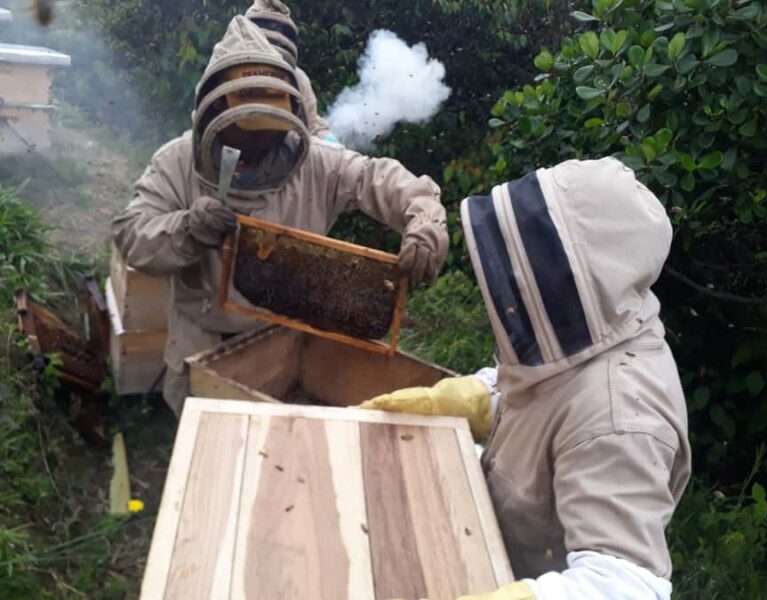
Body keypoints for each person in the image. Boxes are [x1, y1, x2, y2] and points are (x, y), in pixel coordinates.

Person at [359, 157, 691, 599]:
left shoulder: (622, 418)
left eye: (531, 265)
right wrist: (481, 398)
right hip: (486, 547)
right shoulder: (589, 335)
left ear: (577, 276)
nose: (513, 281)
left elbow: (625, 585)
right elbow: (545, 391)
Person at [112, 16, 448, 414]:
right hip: (200, 347)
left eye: (266, 134)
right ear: (214, 113)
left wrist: (425, 220)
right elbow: (132, 234)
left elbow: (386, 180)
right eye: (244, 131)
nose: (255, 146)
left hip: (286, 347)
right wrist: (187, 228)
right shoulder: (177, 161)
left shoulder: (319, 163)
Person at [244, 0, 338, 142]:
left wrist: (329, 142)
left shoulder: (298, 78)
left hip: (285, 156)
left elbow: (312, 124)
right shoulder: (226, 71)